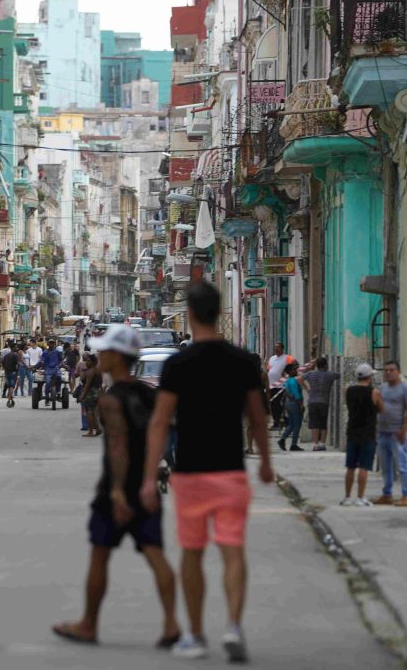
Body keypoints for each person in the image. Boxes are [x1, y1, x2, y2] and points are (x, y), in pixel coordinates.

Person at [140, 281, 274, 663]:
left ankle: (196, 635)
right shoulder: (243, 361)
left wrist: (150, 476)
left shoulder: (178, 365)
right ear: (219, 312)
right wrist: (264, 462)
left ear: (191, 315)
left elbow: (160, 422)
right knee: (233, 550)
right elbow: (258, 418)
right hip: (230, 472)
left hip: (190, 475)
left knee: (192, 554)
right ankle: (233, 625)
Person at [52, 324, 181, 648]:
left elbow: (119, 447)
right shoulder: (148, 393)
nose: (100, 355)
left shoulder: (111, 400)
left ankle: (88, 624)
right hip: (147, 484)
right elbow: (163, 432)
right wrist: (154, 475)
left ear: (116, 356)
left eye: (105, 351)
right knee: (156, 554)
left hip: (118, 489)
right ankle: (171, 624)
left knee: (100, 555)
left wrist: (118, 491)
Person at [341, 363, 384, 507]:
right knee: (364, 467)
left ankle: (347, 497)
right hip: (368, 433)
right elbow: (381, 409)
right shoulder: (374, 392)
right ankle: (360, 497)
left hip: (352, 431)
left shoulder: (348, 390)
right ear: (370, 376)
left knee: (350, 467)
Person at [375, 360, 407, 507]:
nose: (388, 372)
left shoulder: (405, 389)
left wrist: (404, 429)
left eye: (391, 370)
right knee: (386, 467)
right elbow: (379, 407)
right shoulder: (383, 388)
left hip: (396, 434)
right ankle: (387, 494)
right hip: (383, 433)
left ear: (398, 372)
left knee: (402, 465)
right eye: (386, 370)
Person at [302, 357, 339, 451]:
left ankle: (315, 444)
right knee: (323, 423)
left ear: (317, 365)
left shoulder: (310, 374)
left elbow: (298, 378)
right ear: (325, 364)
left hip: (312, 402)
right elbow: (341, 375)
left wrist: (307, 389)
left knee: (314, 424)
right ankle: (322, 443)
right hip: (324, 402)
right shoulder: (330, 374)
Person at [276, 362, 305, 452]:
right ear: (291, 372)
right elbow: (297, 395)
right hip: (295, 403)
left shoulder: (287, 381)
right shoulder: (294, 381)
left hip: (288, 404)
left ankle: (282, 439)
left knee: (291, 424)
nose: (295, 370)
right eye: (293, 369)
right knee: (297, 425)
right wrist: (301, 405)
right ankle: (293, 444)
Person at [245, 354, 269, 456]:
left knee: (249, 426)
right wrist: (268, 404)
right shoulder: (263, 374)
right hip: (261, 399)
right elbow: (268, 391)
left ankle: (250, 447)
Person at [266, 343, 294, 430]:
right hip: (272, 385)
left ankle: (281, 422)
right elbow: (268, 369)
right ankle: (276, 422)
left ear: (282, 349)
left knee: (280, 404)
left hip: (282, 386)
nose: (276, 349)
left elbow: (294, 366)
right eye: (275, 347)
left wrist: (287, 375)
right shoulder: (272, 358)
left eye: (278, 347)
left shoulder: (287, 358)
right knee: (273, 404)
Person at [78, 354, 103, 437]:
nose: (87, 363)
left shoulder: (90, 371)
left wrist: (82, 396)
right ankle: (98, 429)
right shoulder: (98, 370)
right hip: (97, 392)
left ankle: (91, 431)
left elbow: (87, 385)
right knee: (94, 412)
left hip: (90, 394)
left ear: (93, 362)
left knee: (89, 412)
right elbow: (100, 383)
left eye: (88, 361)